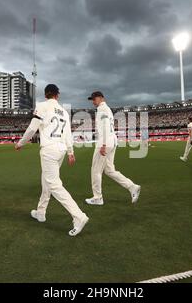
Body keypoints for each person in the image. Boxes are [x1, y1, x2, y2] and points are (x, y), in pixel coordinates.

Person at [15, 84, 89, 237]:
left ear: (45, 94)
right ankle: (41, 212)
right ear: (57, 95)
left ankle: (79, 216)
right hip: (61, 150)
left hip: (49, 150)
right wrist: (70, 152)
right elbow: (68, 134)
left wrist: (21, 143)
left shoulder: (42, 106)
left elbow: (32, 128)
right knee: (46, 182)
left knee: (54, 185)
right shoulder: (63, 111)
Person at [85, 91, 141, 206]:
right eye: (92, 99)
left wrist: (104, 144)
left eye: (94, 99)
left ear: (101, 98)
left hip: (105, 141)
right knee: (109, 170)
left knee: (96, 170)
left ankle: (97, 197)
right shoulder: (107, 109)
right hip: (112, 140)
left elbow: (105, 126)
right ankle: (132, 187)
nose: (93, 102)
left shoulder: (102, 109)